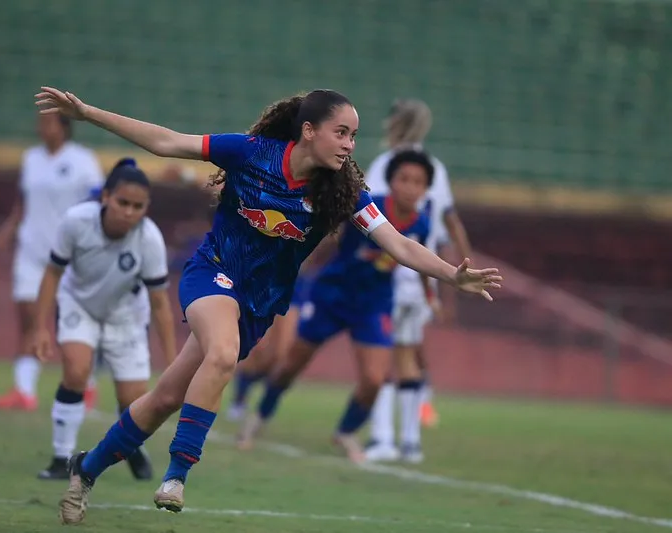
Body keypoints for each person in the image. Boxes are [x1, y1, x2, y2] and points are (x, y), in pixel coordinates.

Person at [33, 85, 500, 524]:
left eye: (354, 136)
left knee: (166, 397)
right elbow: (165, 142)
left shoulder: (343, 192)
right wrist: (87, 113)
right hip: (212, 273)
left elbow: (397, 244)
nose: (349, 145)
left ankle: (85, 468)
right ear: (309, 130)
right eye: (341, 133)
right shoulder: (250, 153)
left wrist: (450, 274)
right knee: (219, 354)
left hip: (257, 304)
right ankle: (176, 475)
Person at [237, 149, 433, 462]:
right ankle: (259, 416)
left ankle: (345, 432)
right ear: (391, 181)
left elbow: (416, 256)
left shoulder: (421, 223)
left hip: (373, 304)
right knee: (291, 364)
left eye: (418, 182)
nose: (410, 187)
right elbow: (330, 235)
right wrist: (299, 265)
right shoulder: (371, 208)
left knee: (375, 379)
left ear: (426, 189)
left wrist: (430, 292)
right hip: (332, 296)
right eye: (404, 179)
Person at [33, 158, 177, 481]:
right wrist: (40, 327)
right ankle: (61, 457)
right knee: (76, 371)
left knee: (133, 400)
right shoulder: (75, 222)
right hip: (78, 304)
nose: (129, 211)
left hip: (125, 316)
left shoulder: (150, 240)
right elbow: (53, 273)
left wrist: (172, 362)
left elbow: (160, 304)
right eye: (122, 202)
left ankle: (131, 447)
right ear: (105, 197)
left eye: (138, 206)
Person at [365, 99, 474, 430]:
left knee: (384, 350)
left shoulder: (388, 165)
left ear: (396, 124)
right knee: (409, 347)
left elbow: (367, 216)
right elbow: (452, 222)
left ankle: (385, 435)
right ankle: (413, 426)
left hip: (390, 269)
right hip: (428, 268)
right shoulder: (435, 168)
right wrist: (462, 272)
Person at [0, 114, 104, 411]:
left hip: (70, 253)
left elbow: (98, 201)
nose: (42, 128)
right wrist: (10, 227)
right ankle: (24, 390)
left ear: (65, 127)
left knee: (72, 321)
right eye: (39, 123)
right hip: (31, 250)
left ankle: (87, 384)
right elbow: (23, 201)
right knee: (28, 317)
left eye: (49, 123)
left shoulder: (83, 160)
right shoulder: (31, 159)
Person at [227, 270, 314, 422]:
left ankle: (262, 408)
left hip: (295, 284)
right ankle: (239, 398)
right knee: (259, 348)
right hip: (268, 278)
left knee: (282, 354)